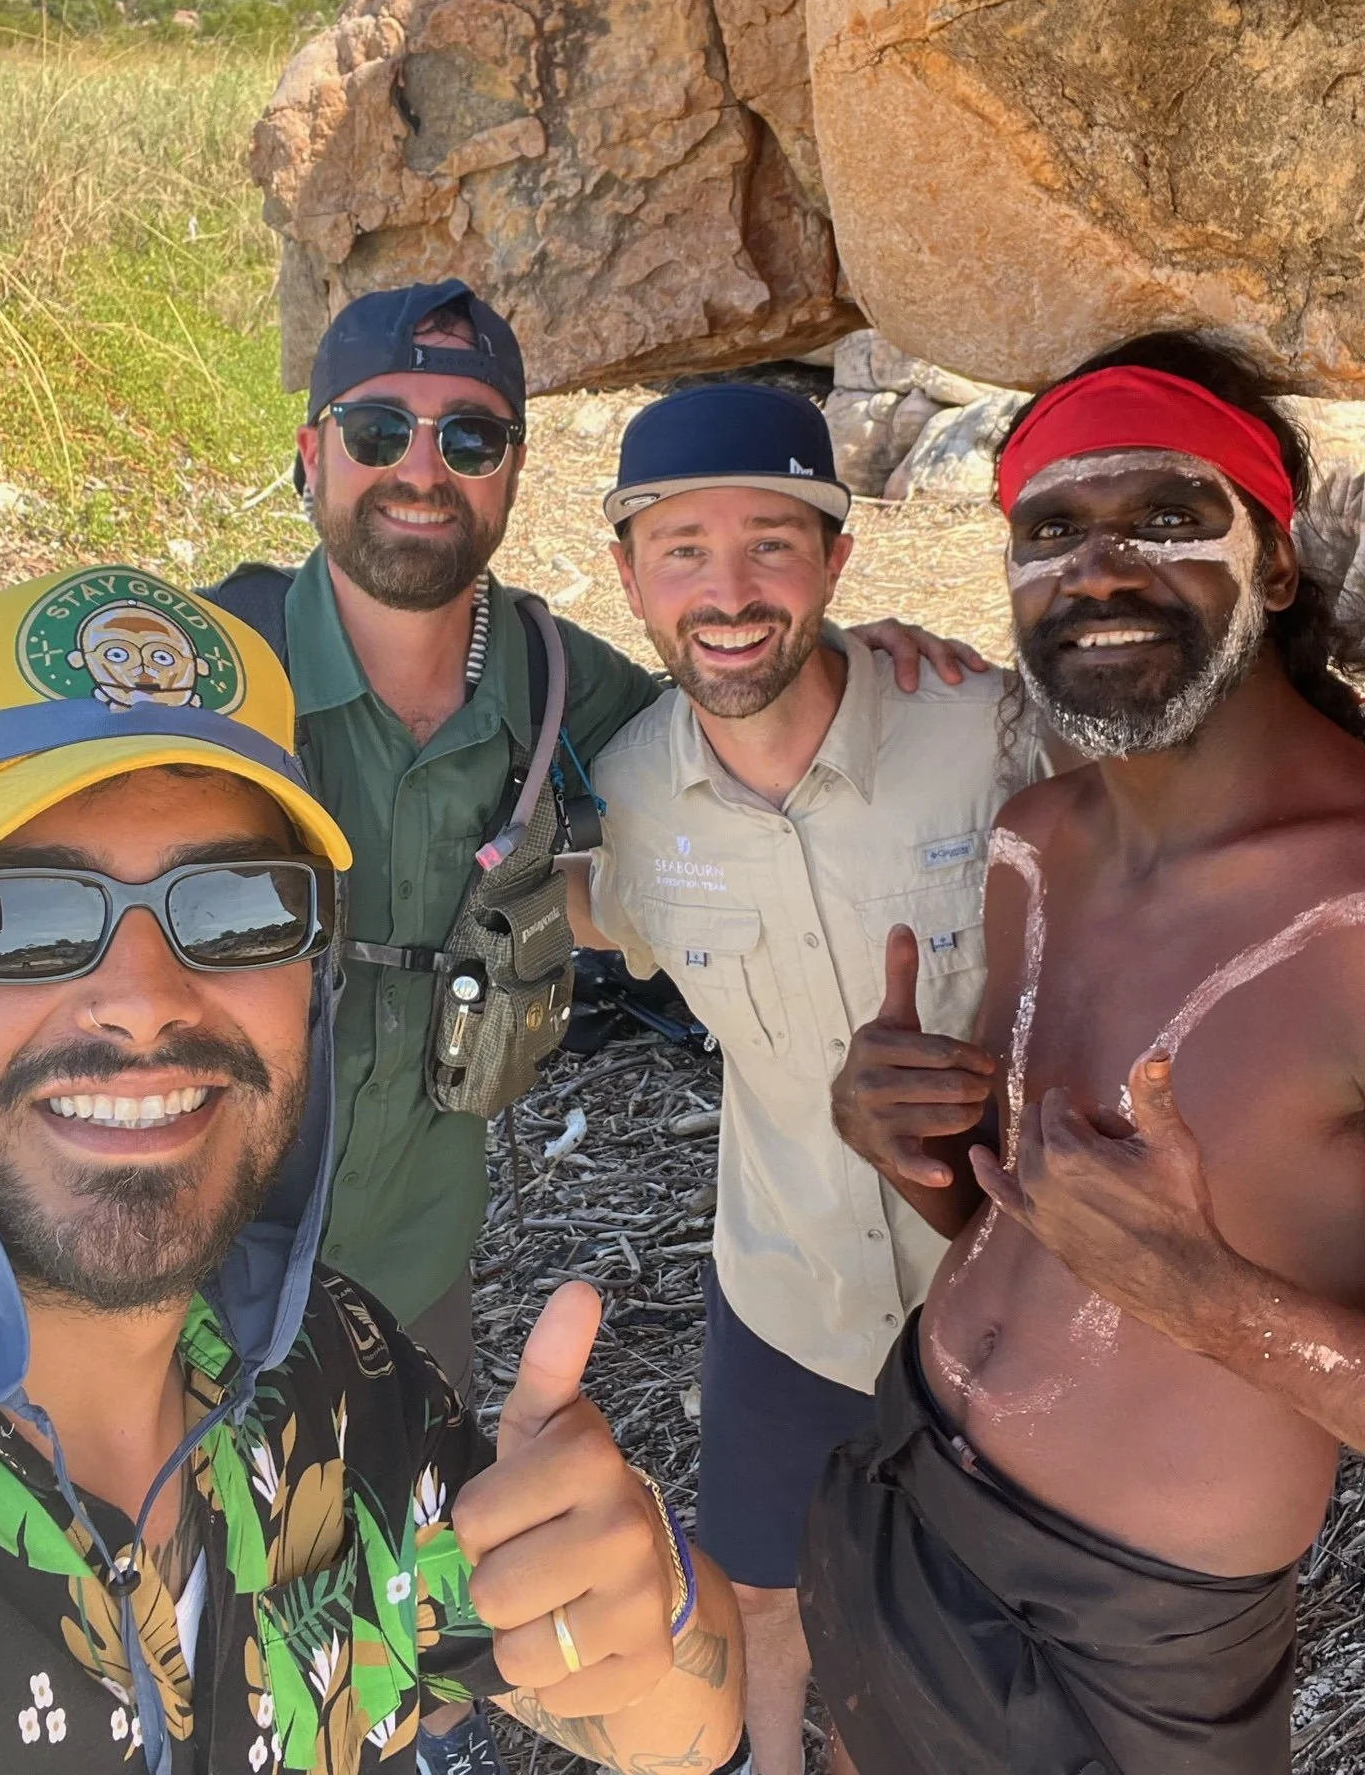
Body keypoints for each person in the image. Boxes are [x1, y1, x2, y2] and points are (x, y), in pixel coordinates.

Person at [0, 565, 744, 1775]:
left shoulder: (337, 1377)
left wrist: (657, 1599)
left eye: (241, 906)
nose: (145, 1003)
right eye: (20, 913)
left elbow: (681, 1728)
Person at [207, 283, 969, 1399]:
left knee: (390, 1573)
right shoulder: (200, 671)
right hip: (174, 1264)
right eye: (380, 430)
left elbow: (729, 713)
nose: (422, 469)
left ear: (514, 469)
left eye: (470, 436)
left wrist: (854, 663)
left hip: (412, 1285)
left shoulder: (560, 684)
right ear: (311, 454)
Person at [812, 333, 1365, 1775]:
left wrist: (1205, 1296)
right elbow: (1008, 1211)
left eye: (1168, 518)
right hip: (904, 1473)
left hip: (1129, 1640)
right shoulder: (1040, 841)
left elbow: (1149, 1273)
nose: (1098, 571)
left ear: (1282, 562)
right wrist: (905, 1132)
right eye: (1050, 530)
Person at [557, 382, 1046, 1775]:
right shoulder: (638, 789)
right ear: (629, 578)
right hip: (785, 1291)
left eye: (774, 543)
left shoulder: (982, 733)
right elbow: (613, 907)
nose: (729, 591)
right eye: (682, 549)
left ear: (838, 562)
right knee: (764, 1588)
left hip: (997, 1288)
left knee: (965, 1608)